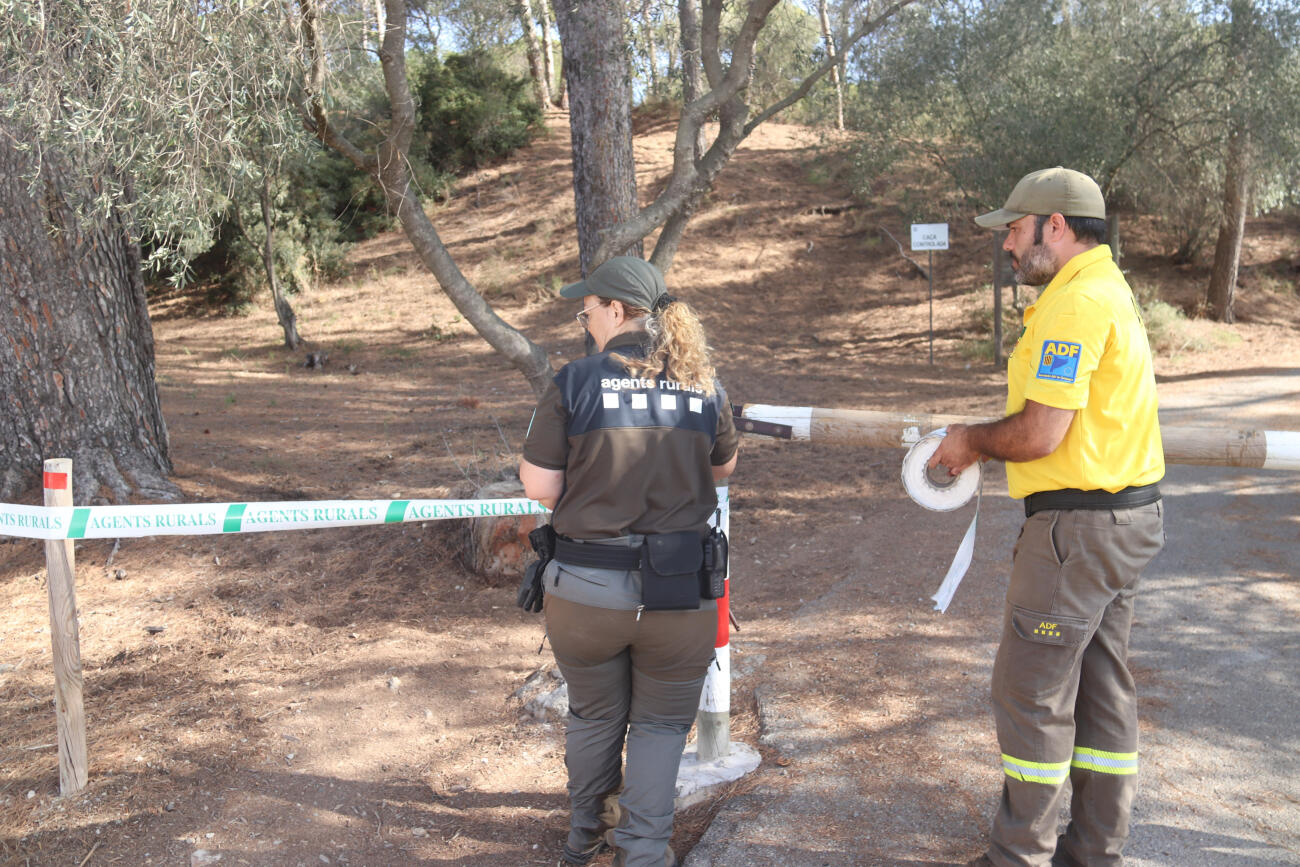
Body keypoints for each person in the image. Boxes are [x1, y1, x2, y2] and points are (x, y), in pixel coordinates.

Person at [929, 167, 1166, 867]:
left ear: (1053, 226)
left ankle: (1018, 857)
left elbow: (1039, 434)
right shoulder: (1106, 290)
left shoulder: (1075, 304)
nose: (1006, 244)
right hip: (1121, 524)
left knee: (1030, 694)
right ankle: (1093, 851)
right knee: (1102, 690)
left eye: (1013, 228)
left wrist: (969, 441)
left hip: (1076, 533)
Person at [519, 256, 739, 867]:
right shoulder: (701, 379)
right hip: (680, 592)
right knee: (662, 728)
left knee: (593, 715)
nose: (584, 319)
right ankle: (642, 851)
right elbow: (723, 468)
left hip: (586, 590)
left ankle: (583, 835)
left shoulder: (575, 381)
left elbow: (539, 485)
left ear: (616, 310)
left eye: (586, 308)